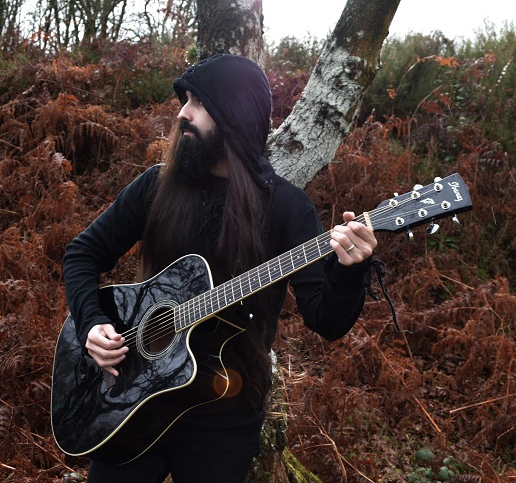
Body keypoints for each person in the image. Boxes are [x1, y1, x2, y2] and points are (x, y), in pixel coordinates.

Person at [62, 53, 378, 482]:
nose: (183, 113)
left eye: (199, 102)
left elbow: (327, 320)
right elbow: (82, 254)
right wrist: (92, 324)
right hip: (133, 390)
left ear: (234, 115)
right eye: (185, 100)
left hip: (224, 411)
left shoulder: (286, 208)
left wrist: (349, 270)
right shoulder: (157, 185)